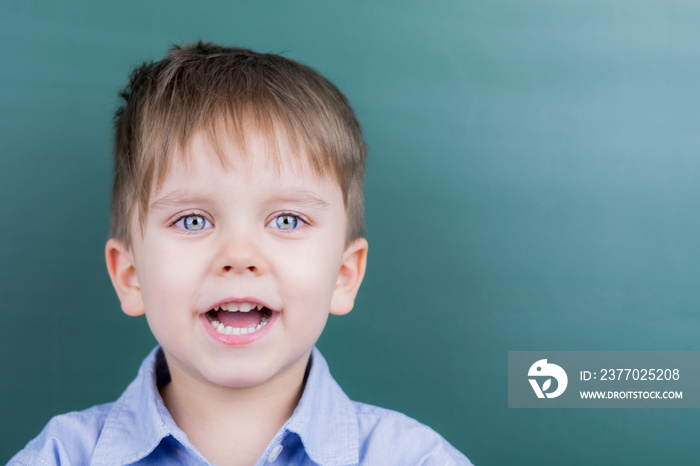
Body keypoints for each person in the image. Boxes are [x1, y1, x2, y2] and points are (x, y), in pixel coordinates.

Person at [9, 42, 472, 466]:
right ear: (130, 276)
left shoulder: (414, 458)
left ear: (344, 276)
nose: (239, 255)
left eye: (287, 220)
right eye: (193, 221)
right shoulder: (60, 456)